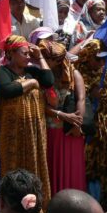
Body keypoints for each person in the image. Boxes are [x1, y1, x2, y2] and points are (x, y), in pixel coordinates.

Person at [0, 35, 54, 207]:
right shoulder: (2, 72)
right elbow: (7, 90)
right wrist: (31, 83)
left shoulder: (31, 70)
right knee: (13, 165)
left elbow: (49, 81)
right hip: (12, 130)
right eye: (24, 53)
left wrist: (40, 57)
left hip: (34, 129)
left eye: (29, 54)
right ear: (11, 53)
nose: (28, 57)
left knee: (35, 162)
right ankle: (13, 204)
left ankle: (35, 204)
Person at [39, 41, 87, 194]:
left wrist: (77, 126)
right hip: (50, 131)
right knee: (53, 168)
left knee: (71, 170)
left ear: (58, 60)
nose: (44, 60)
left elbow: (81, 99)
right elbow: (40, 105)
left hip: (70, 131)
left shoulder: (74, 74)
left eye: (48, 58)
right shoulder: (42, 75)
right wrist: (61, 114)